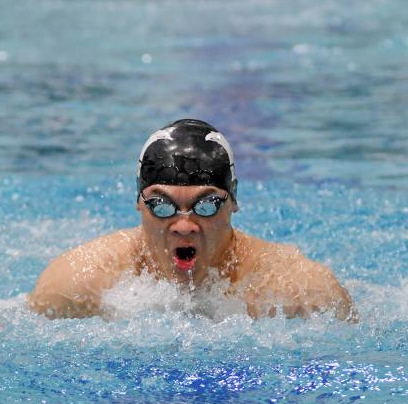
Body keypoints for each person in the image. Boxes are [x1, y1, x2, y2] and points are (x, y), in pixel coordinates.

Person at [29, 119, 356, 321]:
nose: (184, 225)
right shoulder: (76, 284)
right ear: (138, 203)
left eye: (207, 204)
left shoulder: (298, 288)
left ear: (234, 201)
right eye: (161, 205)